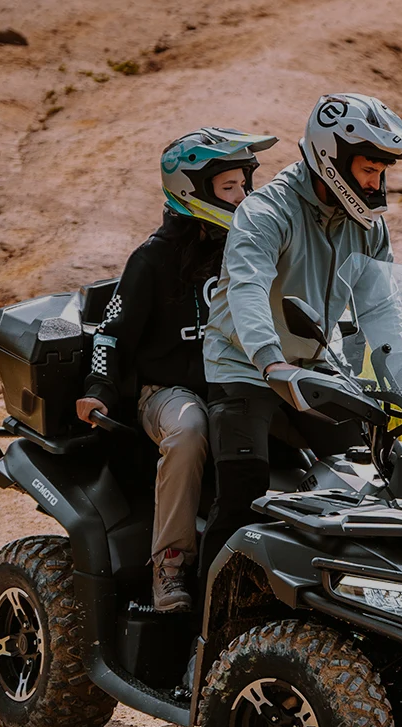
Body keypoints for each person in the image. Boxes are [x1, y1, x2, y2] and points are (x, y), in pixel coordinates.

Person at [199, 94, 402, 571]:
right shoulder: (267, 211)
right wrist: (270, 361)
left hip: (311, 367)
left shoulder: (367, 225)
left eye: (380, 172)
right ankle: (199, 608)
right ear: (332, 158)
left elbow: (382, 308)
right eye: (368, 170)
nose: (376, 184)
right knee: (244, 491)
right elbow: (248, 288)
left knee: (364, 478)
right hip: (244, 366)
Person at [78, 126, 277, 612]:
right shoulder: (153, 258)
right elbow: (111, 331)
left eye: (244, 184)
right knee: (190, 430)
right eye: (228, 187)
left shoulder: (249, 246)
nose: (243, 196)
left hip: (237, 383)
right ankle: (170, 564)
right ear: (191, 191)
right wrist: (98, 387)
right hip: (168, 392)